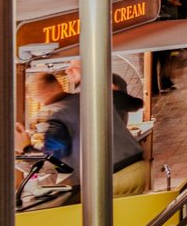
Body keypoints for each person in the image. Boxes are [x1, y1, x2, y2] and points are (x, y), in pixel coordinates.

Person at [17, 71, 149, 197]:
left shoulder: (53, 114)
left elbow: (54, 160)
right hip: (138, 167)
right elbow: (135, 104)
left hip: (109, 178)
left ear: (32, 96)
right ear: (59, 84)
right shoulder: (93, 96)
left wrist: (25, 150)